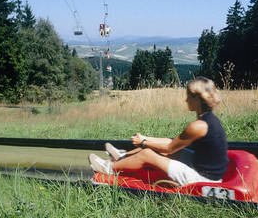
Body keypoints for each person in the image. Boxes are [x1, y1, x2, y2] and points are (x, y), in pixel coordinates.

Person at [88, 77, 229, 186]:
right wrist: (145, 138)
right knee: (164, 147)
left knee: (147, 154)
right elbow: (171, 142)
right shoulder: (208, 120)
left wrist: (143, 143)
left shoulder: (198, 126)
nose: (186, 100)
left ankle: (108, 168)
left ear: (197, 99)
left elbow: (168, 149)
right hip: (202, 167)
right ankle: (122, 156)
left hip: (203, 179)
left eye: (188, 96)